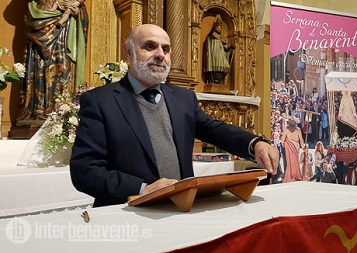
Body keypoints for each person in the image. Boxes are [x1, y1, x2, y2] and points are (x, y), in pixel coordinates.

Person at [70, 24, 278, 207]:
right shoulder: (101, 101)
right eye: (150, 46)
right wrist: (143, 189)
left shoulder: (182, 98)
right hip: (129, 213)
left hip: (181, 210)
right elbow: (85, 171)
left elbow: (215, 130)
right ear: (129, 51)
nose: (160, 54)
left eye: (166, 49)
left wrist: (254, 143)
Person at [18, 0, 88, 121]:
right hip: (40, 17)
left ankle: (62, 111)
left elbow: (81, 10)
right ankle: (37, 110)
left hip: (65, 34)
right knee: (40, 66)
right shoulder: (35, 5)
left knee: (63, 68)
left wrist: (77, 12)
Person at [203, 15, 235, 85]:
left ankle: (220, 81)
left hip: (220, 55)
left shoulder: (221, 38)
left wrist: (230, 47)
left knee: (226, 66)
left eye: (220, 28)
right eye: (218, 28)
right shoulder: (211, 36)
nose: (219, 29)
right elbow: (208, 42)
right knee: (216, 67)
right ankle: (214, 80)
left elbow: (225, 46)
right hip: (214, 55)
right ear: (215, 28)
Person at [280, 116, 304, 182]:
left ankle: (290, 175)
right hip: (296, 146)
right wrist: (303, 146)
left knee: (290, 162)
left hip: (289, 147)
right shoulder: (298, 130)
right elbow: (301, 139)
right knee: (296, 162)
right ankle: (296, 175)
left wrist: (284, 144)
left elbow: (282, 140)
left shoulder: (286, 129)